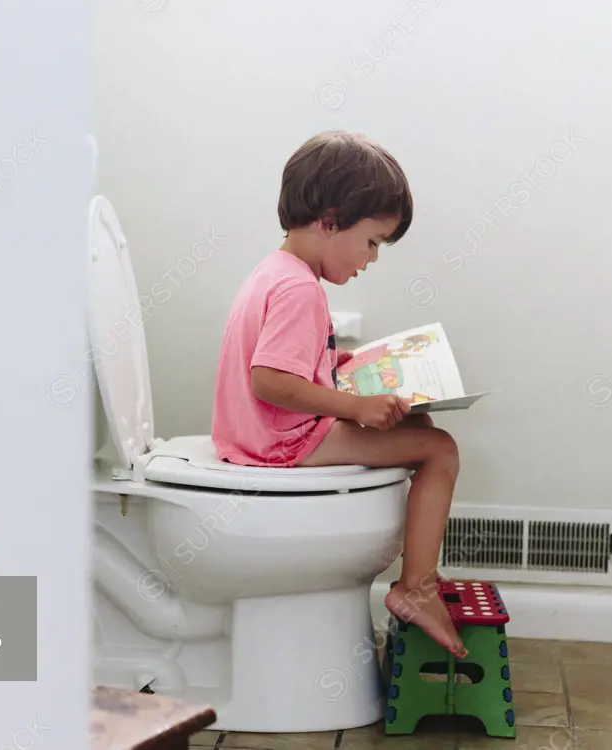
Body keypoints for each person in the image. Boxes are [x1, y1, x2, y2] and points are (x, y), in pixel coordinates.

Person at [210, 130, 467, 659]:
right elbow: (270, 381)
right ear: (329, 220)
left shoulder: (276, 272)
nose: (372, 258)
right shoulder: (301, 289)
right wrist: (356, 407)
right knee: (440, 449)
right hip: (283, 443)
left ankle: (416, 579)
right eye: (373, 241)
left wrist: (343, 369)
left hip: (257, 435)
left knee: (416, 429)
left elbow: (288, 364)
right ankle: (416, 586)